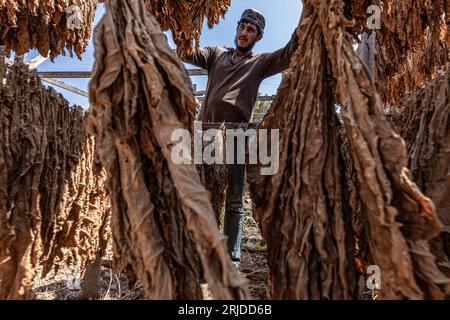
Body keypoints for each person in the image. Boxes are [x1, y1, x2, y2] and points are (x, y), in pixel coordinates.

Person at [182, 6, 312, 264]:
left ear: (258, 36)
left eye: (250, 30)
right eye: (242, 27)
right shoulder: (216, 55)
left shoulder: (260, 62)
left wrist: (307, 11)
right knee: (204, 194)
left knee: (234, 198)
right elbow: (185, 49)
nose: (244, 32)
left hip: (237, 134)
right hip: (207, 132)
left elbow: (291, 50)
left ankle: (231, 257)